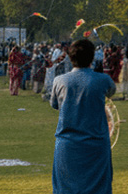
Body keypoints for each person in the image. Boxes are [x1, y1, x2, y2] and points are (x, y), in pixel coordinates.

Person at [50, 39, 115, 194]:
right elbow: (111, 92)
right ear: (92, 57)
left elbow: (54, 104)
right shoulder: (103, 80)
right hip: (96, 144)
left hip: (67, 145)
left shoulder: (59, 81)